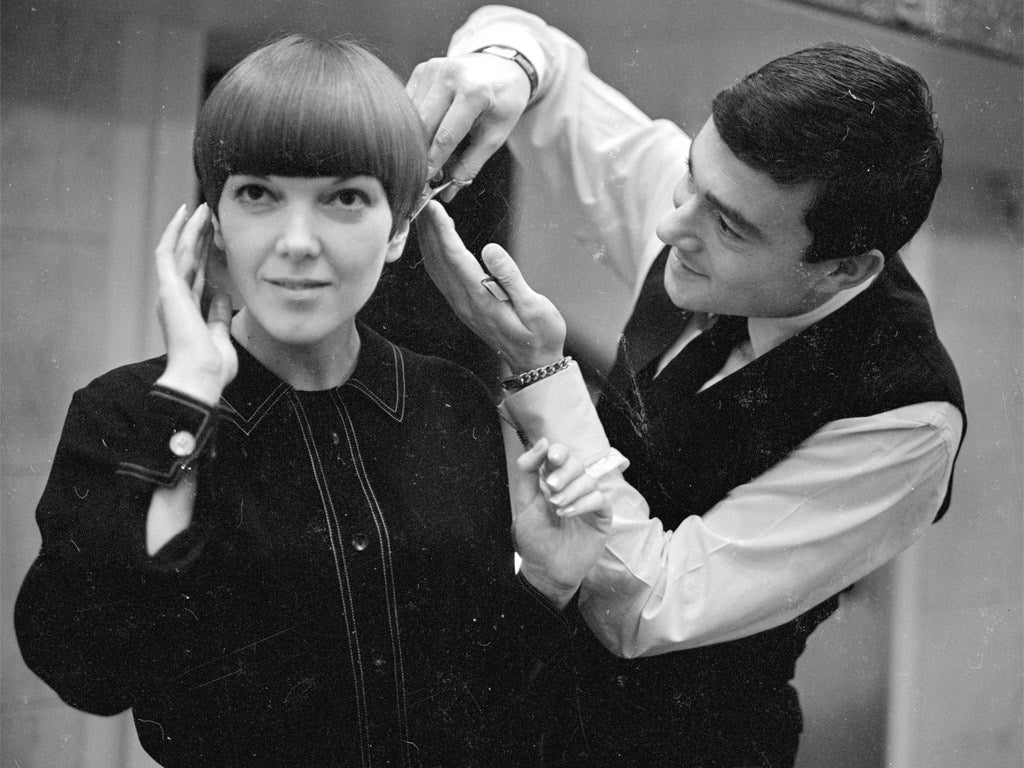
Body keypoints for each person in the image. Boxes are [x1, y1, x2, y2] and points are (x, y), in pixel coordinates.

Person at [14, 34, 612, 768]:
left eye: (344, 199)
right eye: (259, 195)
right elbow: (88, 673)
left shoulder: (449, 403)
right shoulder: (130, 412)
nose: (298, 242)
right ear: (215, 222)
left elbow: (492, 712)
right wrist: (188, 401)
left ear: (397, 229)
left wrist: (546, 585)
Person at [407, 6, 966, 767]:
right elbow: (536, 52)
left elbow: (646, 608)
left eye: (731, 228)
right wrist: (501, 69)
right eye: (691, 178)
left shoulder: (907, 418)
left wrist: (540, 374)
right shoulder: (707, 206)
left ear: (845, 269)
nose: (673, 227)